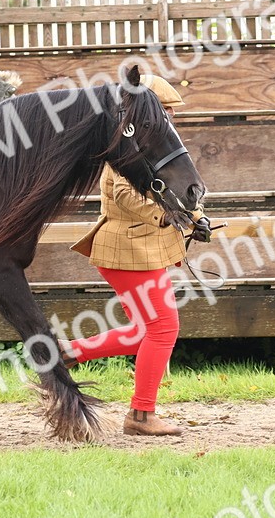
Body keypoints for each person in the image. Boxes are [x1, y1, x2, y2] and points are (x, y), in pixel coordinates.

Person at [61, 75, 200, 437]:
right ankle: (141, 416)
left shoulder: (153, 147)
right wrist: (168, 216)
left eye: (170, 111)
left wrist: (198, 217)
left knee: (148, 331)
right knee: (164, 328)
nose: (170, 117)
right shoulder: (124, 148)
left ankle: (69, 353)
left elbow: (175, 193)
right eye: (164, 110)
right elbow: (125, 196)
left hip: (142, 249)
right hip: (127, 247)